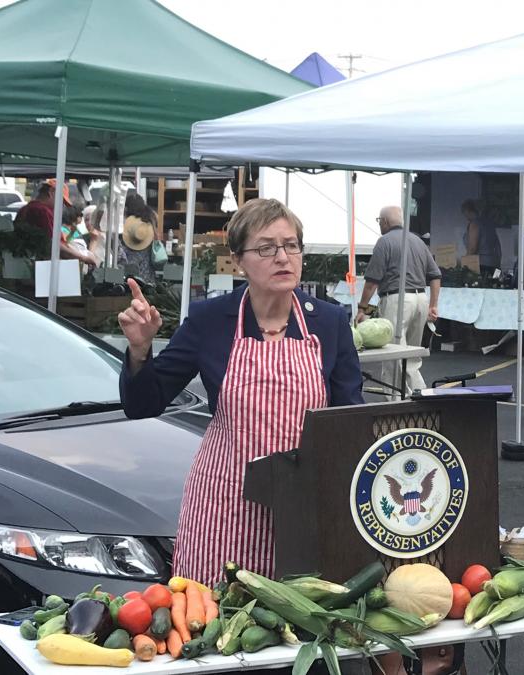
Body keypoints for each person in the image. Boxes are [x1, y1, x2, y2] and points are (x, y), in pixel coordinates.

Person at [118, 198, 363, 585]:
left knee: (295, 619)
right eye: (266, 247)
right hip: (225, 503)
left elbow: (352, 422)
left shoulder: (329, 323)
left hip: (304, 506)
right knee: (212, 618)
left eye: (291, 245)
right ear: (238, 260)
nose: (283, 257)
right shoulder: (209, 321)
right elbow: (143, 403)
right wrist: (140, 350)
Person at [356, 205, 441, 396]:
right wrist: (433, 304)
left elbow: (372, 281)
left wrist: (362, 308)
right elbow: (435, 275)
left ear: (385, 222)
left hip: (397, 299)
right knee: (411, 354)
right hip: (421, 299)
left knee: (393, 354)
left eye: (379, 221)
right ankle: (421, 396)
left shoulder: (384, 242)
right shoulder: (418, 241)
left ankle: (395, 402)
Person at [15, 180, 96, 268]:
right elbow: (54, 246)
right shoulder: (42, 211)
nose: (61, 204)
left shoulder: (25, 209)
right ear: (52, 192)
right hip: (43, 268)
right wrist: (84, 258)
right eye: (61, 199)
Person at [118, 194, 159, 282]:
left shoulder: (128, 227)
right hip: (148, 277)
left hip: (129, 278)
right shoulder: (148, 221)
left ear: (126, 209)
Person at [460, 198, 501, 277]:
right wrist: (498, 265)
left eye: (464, 212)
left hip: (480, 265)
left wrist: (464, 265)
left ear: (467, 211)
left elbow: (472, 248)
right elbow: (498, 247)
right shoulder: (489, 223)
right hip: (493, 263)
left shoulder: (475, 224)